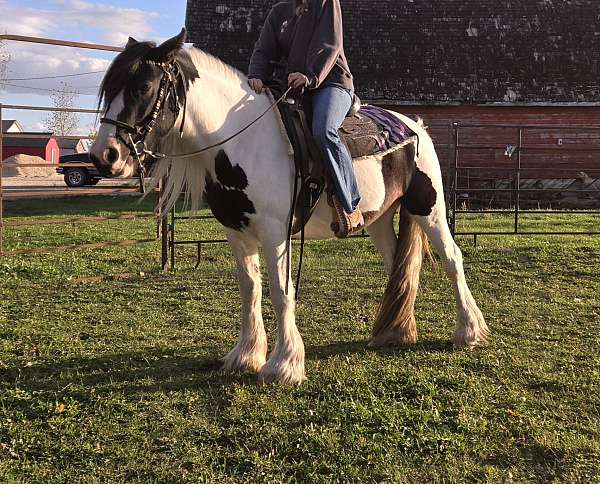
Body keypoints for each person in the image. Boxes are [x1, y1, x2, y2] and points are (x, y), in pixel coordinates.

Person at [248, 0, 363, 235]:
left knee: (323, 130)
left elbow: (330, 44)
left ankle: (351, 204)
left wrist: (311, 77)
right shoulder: (279, 11)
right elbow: (264, 48)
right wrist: (256, 74)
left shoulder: (326, 3)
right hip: (297, 86)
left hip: (331, 82)